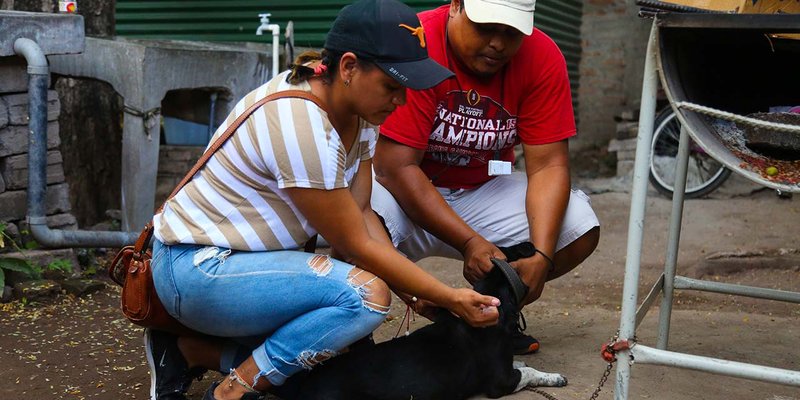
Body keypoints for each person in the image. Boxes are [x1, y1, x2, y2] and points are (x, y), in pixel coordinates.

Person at [143, 1, 502, 399]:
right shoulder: (302, 123)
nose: (401, 101)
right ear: (348, 67)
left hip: (242, 264)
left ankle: (186, 350)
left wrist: (416, 296)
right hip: (196, 269)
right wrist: (447, 295)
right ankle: (233, 390)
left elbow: (363, 214)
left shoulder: (360, 114)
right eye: (392, 86)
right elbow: (354, 243)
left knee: (331, 361)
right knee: (366, 297)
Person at [371, 0, 601, 355]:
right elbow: (394, 167)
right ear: (455, 6)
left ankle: (486, 323)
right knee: (355, 216)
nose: (498, 43)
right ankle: (353, 331)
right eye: (486, 27)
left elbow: (549, 166)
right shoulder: (416, 39)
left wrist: (541, 256)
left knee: (578, 223)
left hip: (480, 190)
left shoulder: (542, 55)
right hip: (400, 194)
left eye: (512, 32)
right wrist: (469, 242)